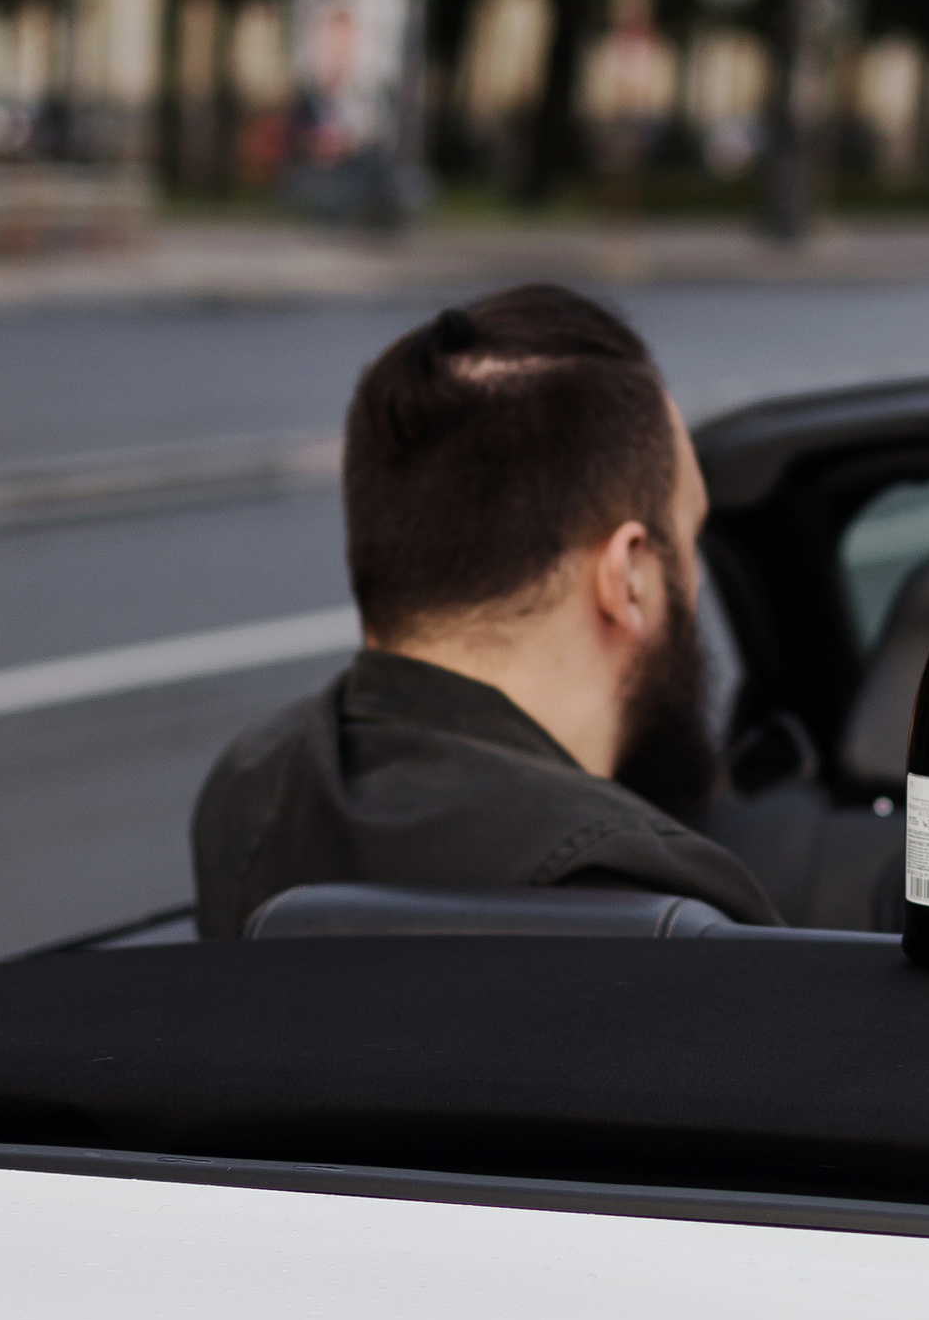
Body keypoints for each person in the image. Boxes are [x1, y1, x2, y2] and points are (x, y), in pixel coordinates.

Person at [192, 284, 778, 939]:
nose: (694, 586)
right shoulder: (664, 902)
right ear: (628, 578)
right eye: (690, 540)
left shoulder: (250, 790)